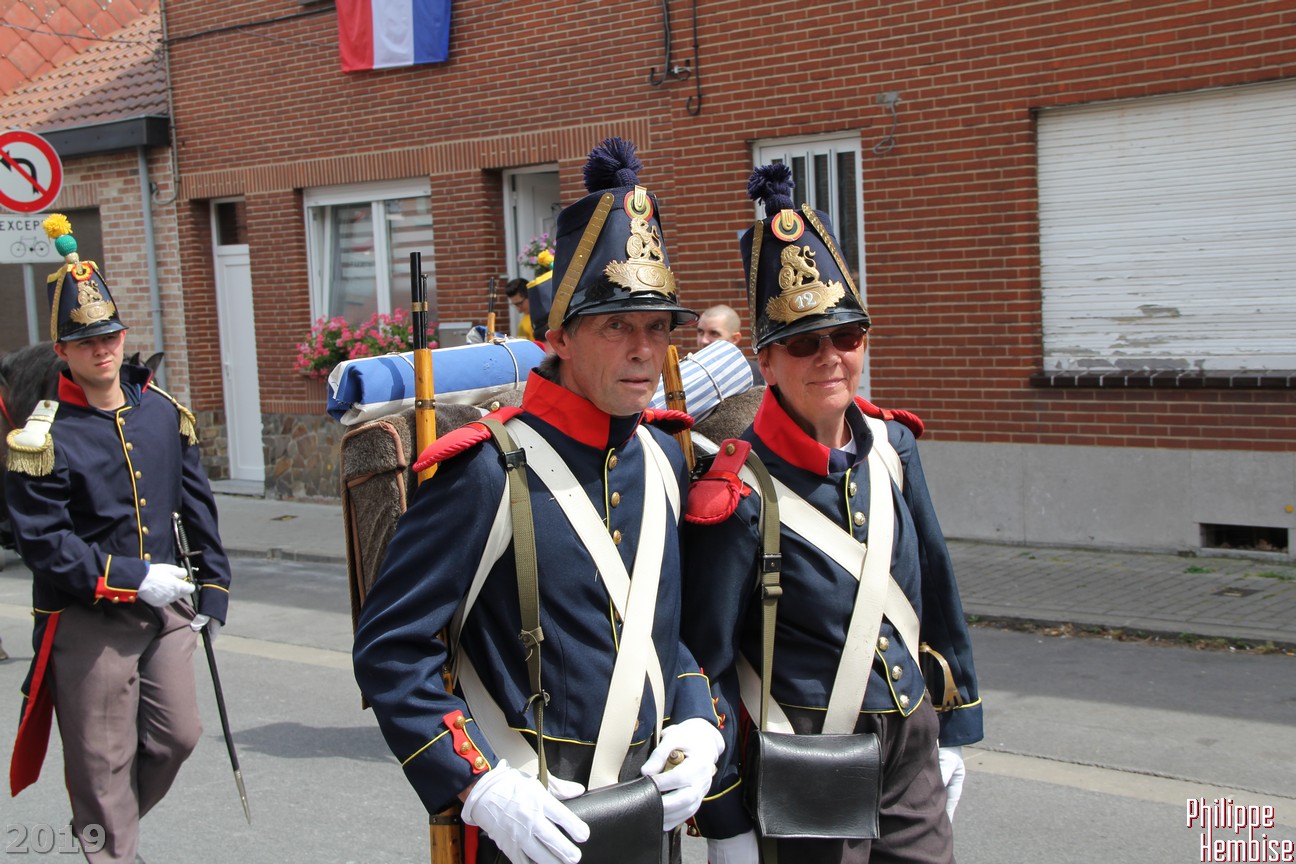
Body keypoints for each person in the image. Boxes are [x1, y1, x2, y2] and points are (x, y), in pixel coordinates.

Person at [353, 138, 724, 864]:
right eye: (616, 325)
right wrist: (480, 784)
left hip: (649, 817)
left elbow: (665, 632)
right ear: (559, 337)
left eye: (656, 326)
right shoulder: (485, 471)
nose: (643, 349)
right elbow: (391, 649)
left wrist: (696, 722)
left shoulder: (662, 457)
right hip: (533, 828)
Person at [681, 164, 982, 864]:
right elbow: (705, 660)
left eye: (846, 336)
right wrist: (725, 815)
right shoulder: (738, 488)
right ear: (766, 363)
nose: (830, 358)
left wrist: (955, 729)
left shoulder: (894, 449)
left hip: (911, 748)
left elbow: (936, 594)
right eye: (803, 343)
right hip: (806, 764)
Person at [5, 214, 232, 863]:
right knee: (102, 764)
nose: (101, 350)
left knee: (177, 736)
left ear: (123, 336)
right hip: (87, 616)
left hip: (166, 608)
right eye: (85, 342)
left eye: (108, 336)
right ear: (63, 351)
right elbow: (44, 544)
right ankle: (111, 846)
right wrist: (131, 577)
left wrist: (214, 591)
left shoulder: (161, 412)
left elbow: (197, 504)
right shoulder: (40, 438)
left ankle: (104, 828)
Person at [503, 276, 535, 341]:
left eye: (520, 303)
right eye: (515, 305)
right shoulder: (525, 317)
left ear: (529, 295)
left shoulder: (539, 320)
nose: (518, 308)